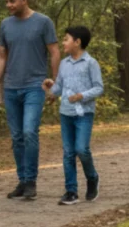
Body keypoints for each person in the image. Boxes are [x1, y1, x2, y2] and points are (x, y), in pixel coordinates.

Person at [0, 0, 59, 200]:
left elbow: (54, 52)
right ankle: (22, 180)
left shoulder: (43, 22)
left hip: (35, 86)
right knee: (17, 136)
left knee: (30, 132)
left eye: (12, 1)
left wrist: (55, 83)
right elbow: (1, 56)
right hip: (11, 87)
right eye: (7, 2)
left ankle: (31, 181)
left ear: (24, 0)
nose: (8, 5)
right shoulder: (5, 25)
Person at [43, 25, 102, 205]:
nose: (63, 42)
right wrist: (50, 88)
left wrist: (82, 96)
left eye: (66, 39)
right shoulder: (64, 64)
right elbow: (59, 88)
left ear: (78, 42)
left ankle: (92, 178)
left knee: (81, 149)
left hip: (84, 113)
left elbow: (99, 88)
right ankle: (71, 191)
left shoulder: (91, 63)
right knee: (68, 152)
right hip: (66, 113)